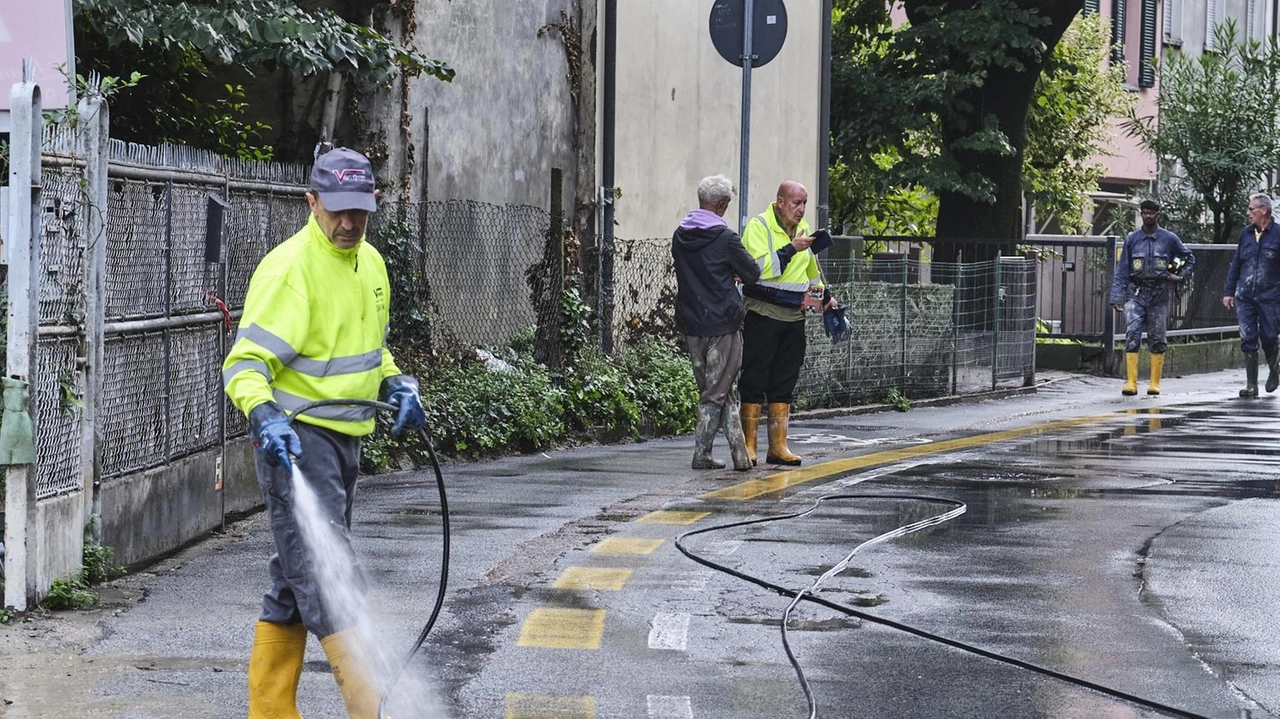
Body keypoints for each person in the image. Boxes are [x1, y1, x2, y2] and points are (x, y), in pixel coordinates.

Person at [222, 147, 426, 719]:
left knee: (294, 581)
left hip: (345, 443)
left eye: (359, 211)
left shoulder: (372, 264)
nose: (348, 223)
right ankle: (372, 709)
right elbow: (245, 363)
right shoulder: (290, 270)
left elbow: (365, 350)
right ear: (311, 202)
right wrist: (263, 416)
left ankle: (269, 712)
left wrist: (395, 382)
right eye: (336, 210)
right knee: (326, 574)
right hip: (296, 443)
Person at [738, 180, 838, 466]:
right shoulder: (759, 227)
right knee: (755, 377)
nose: (802, 209)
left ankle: (778, 447)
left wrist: (826, 298)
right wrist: (790, 249)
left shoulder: (804, 230)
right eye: (797, 203)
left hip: (794, 318)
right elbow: (754, 270)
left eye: (805, 202)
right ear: (780, 201)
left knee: (785, 380)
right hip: (764, 314)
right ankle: (749, 446)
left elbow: (811, 274)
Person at [672, 174, 762, 471]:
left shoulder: (680, 236)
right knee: (716, 391)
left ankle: (740, 456)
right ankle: (702, 453)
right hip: (723, 323)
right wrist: (732, 271)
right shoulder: (725, 239)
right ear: (722, 205)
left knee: (721, 389)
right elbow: (752, 272)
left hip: (692, 321)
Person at [1108, 199, 1194, 396]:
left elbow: (1188, 258)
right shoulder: (1132, 239)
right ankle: (1131, 382)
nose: (1148, 216)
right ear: (1141, 213)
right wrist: (1117, 297)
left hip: (1159, 293)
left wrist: (1178, 276)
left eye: (1152, 213)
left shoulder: (1169, 239)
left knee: (1157, 336)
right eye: (1145, 212)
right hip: (1136, 292)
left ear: (1158, 214)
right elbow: (1122, 270)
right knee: (1133, 333)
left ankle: (1154, 383)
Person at [1224, 193, 1280, 398]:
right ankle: (1251, 385)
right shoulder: (1246, 234)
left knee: (1270, 337)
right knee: (1248, 336)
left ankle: (1275, 370)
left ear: (1263, 210)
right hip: (1245, 295)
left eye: (1251, 209)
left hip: (1271, 296)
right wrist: (1229, 292)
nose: (1248, 213)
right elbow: (1237, 263)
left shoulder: (1278, 234)